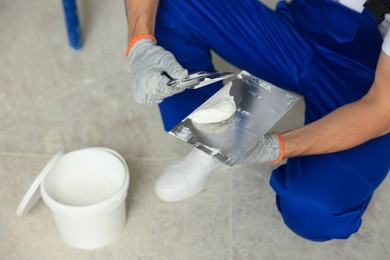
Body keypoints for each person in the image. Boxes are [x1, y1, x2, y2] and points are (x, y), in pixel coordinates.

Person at [124, 0, 390, 241]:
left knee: (315, 208)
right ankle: (217, 140)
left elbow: (381, 109)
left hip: (369, 76)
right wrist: (140, 44)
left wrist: (276, 146)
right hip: (300, 26)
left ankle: (239, 137)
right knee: (167, 6)